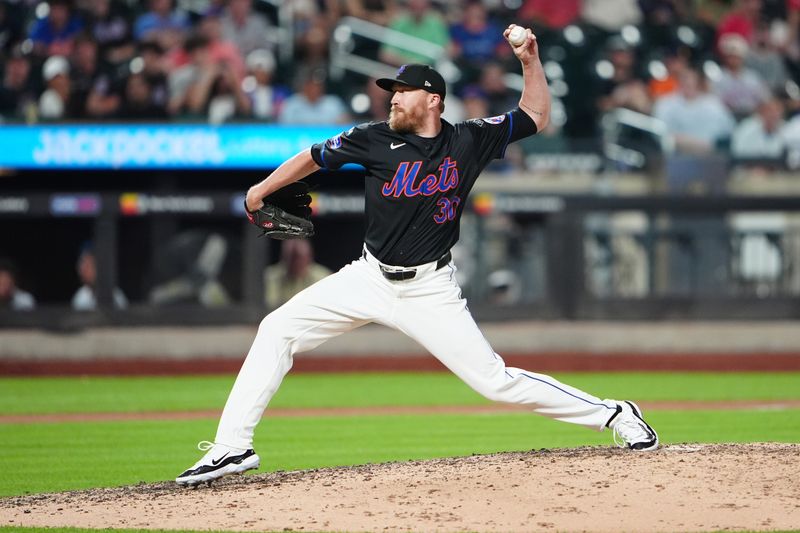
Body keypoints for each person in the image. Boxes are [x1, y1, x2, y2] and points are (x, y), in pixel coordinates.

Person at [176, 26, 659, 487]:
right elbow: (311, 156)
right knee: (275, 329)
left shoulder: (467, 139)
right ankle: (232, 446)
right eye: (392, 90)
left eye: (403, 90)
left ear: (433, 100)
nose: (393, 96)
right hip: (367, 277)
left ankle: (616, 414)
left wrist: (530, 60)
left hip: (429, 288)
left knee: (494, 381)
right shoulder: (371, 138)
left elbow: (534, 116)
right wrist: (261, 189)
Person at [265, 240, 332, 309]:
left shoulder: (323, 277)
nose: (295, 263)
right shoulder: (270, 276)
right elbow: (269, 303)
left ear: (309, 257)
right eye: (291, 258)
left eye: (299, 258)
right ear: (283, 257)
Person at [71, 246, 128, 311]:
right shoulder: (81, 296)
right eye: (82, 266)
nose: (82, 271)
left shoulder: (116, 296)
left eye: (88, 266)